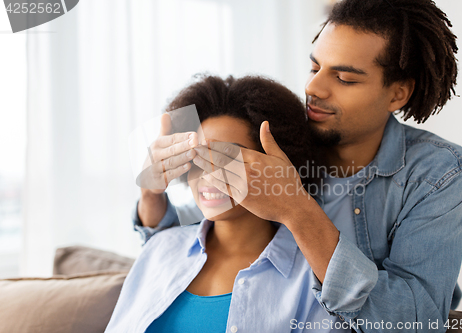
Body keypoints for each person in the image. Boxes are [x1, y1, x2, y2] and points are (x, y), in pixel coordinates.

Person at [134, 0, 462, 332]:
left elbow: (417, 321)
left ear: (397, 94)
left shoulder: (438, 172)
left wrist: (297, 210)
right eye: (314, 68)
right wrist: (152, 194)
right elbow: (197, 233)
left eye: (344, 78)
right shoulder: (284, 137)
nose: (313, 88)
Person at [107, 75, 349, 333]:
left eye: (227, 156)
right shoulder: (160, 249)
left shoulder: (311, 278)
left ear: (274, 166)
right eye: (197, 156)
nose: (208, 174)